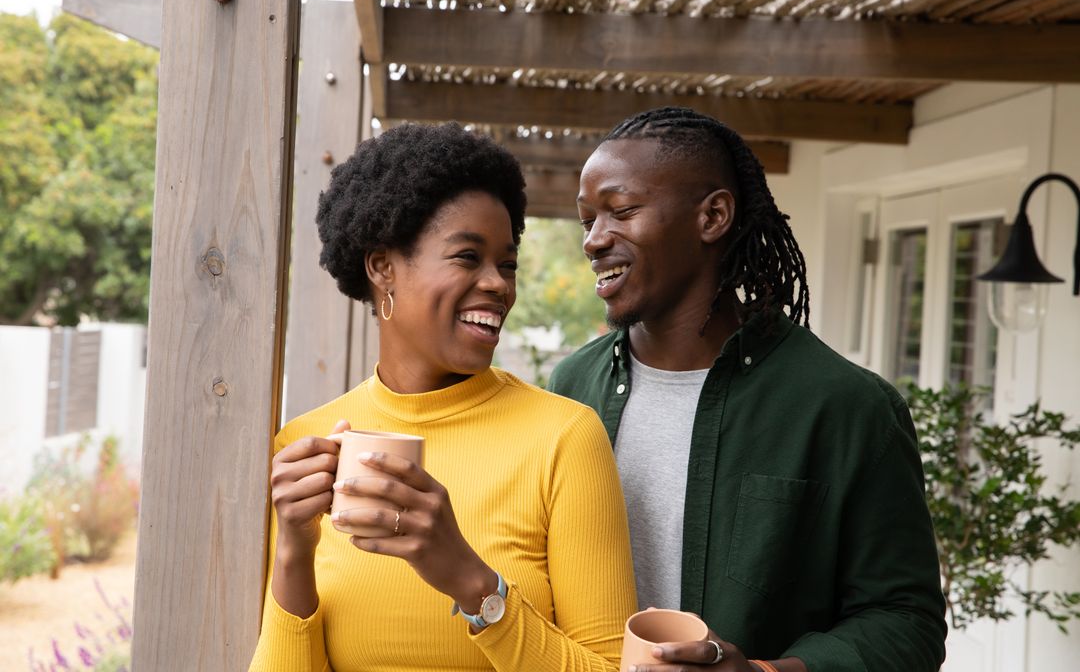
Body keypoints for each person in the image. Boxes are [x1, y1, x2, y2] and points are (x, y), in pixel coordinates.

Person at [548, 107, 947, 672]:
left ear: (712, 216)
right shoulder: (570, 389)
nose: (593, 241)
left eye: (622, 211)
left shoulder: (847, 408)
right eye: (587, 220)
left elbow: (907, 621)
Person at [249, 122, 637, 672]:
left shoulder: (563, 437)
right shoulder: (305, 448)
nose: (499, 285)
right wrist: (293, 548)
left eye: (507, 263)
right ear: (383, 266)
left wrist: (471, 582)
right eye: (466, 257)